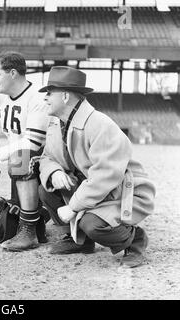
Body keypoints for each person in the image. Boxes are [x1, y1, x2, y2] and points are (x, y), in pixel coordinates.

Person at [38, 66, 156, 268]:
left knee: (92, 224)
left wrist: (74, 206)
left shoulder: (100, 124)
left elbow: (105, 176)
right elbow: (46, 156)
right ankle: (80, 241)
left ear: (65, 96)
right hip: (93, 189)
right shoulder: (57, 123)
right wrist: (54, 171)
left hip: (121, 192)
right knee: (46, 190)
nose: (45, 97)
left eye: (50, 92)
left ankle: (135, 239)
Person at [0, 51, 50, 251]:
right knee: (9, 219)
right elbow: (7, 127)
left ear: (13, 73)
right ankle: (36, 213)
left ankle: (28, 231)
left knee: (19, 159)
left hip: (43, 161)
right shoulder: (3, 98)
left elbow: (33, 142)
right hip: (21, 162)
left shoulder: (37, 97)